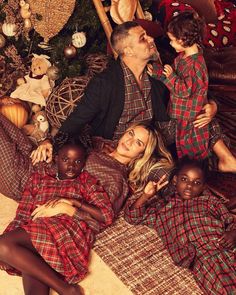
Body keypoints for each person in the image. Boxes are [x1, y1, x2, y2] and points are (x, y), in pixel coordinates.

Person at [31, 21, 236, 173]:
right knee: (166, 175)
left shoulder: (156, 72)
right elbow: (77, 119)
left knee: (200, 115)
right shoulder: (105, 84)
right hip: (124, 148)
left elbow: (194, 87)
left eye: (147, 34)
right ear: (127, 50)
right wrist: (49, 141)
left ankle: (226, 160)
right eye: (143, 38)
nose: (151, 39)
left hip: (158, 135)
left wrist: (212, 105)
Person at [0, 140, 114, 295]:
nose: (71, 166)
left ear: (83, 163)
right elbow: (23, 213)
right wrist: (11, 238)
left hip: (66, 231)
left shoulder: (86, 182)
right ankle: (67, 289)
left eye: (78, 161)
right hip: (37, 231)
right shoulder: (39, 178)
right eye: (66, 160)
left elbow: (106, 215)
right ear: (56, 158)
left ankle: (66, 290)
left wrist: (75, 203)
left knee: (2, 245)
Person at [124, 156, 236, 295]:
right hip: (201, 263)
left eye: (196, 182)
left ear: (203, 186)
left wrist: (233, 233)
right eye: (184, 179)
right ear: (175, 180)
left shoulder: (210, 202)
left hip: (223, 248)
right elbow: (132, 217)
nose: (189, 186)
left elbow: (231, 220)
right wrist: (145, 196)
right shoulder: (161, 209)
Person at [150, 11, 210, 159]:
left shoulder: (195, 65)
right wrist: (158, 73)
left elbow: (184, 91)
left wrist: (170, 76)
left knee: (190, 146)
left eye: (173, 40)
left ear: (183, 40)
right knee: (180, 143)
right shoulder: (183, 57)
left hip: (189, 116)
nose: (170, 43)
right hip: (180, 112)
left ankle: (194, 168)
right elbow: (173, 74)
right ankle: (185, 165)